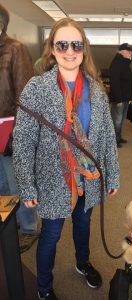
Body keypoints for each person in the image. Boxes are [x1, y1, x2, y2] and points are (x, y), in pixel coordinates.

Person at [13, 17, 120, 300]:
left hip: (88, 177)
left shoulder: (96, 91)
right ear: (52, 48)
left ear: (84, 49)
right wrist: (27, 186)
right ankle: (44, 288)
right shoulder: (36, 88)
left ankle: (82, 262)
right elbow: (23, 142)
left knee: (83, 226)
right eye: (62, 44)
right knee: (51, 235)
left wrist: (114, 175)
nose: (70, 51)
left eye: (76, 44)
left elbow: (108, 136)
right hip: (53, 180)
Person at [0, 4, 39, 253]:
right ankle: (9, 222)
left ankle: (28, 228)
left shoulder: (16, 49)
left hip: (10, 126)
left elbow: (25, 95)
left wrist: (19, 133)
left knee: (17, 182)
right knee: (1, 184)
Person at [109, 43, 132, 148]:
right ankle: (113, 140)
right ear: (122, 51)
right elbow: (115, 83)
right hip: (119, 98)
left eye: (131, 51)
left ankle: (118, 137)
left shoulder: (124, 63)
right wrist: (119, 99)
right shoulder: (116, 63)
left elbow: (127, 82)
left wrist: (129, 97)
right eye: (129, 51)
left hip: (125, 97)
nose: (131, 53)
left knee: (121, 120)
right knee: (116, 120)